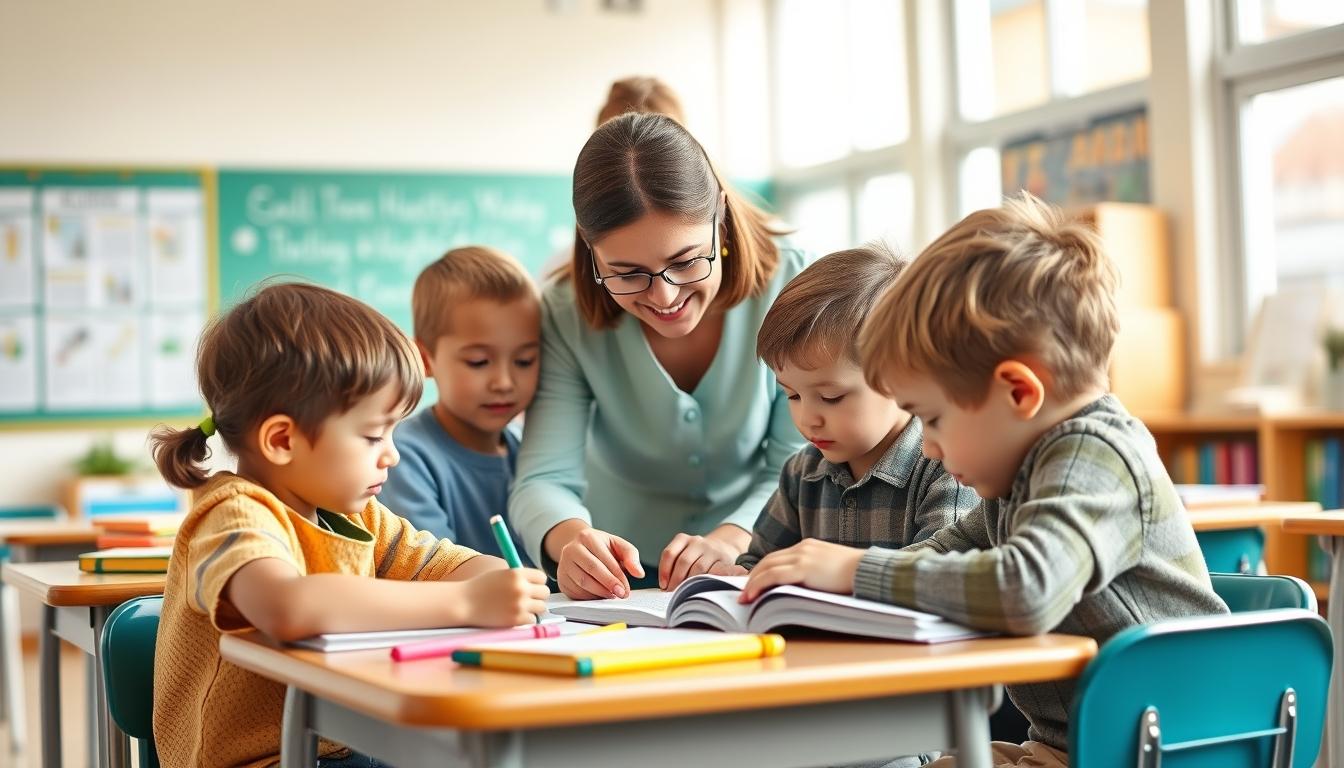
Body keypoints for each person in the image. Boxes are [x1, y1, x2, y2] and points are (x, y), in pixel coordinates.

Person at [741, 195, 1227, 768]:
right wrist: (833, 592)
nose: (926, 444)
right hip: (1077, 745)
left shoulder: (1094, 455)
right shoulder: (1021, 476)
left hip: (1169, 746)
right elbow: (945, 552)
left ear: (1018, 392)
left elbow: (1026, 590)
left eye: (936, 418)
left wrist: (854, 569)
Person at [149, 282, 548, 768]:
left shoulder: (354, 514)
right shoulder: (232, 512)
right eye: (373, 435)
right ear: (282, 439)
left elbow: (449, 564)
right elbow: (288, 606)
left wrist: (502, 583)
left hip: (342, 744)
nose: (393, 454)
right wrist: (466, 603)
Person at [510, 112, 808, 599]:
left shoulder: (791, 284)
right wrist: (569, 541)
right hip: (619, 582)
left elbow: (797, 463)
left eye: (686, 261)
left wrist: (733, 539)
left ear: (723, 222)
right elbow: (543, 478)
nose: (664, 298)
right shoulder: (564, 313)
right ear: (590, 251)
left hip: (757, 561)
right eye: (627, 273)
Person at [734, 243, 978, 576]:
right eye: (791, 396)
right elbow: (756, 564)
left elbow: (939, 578)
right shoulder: (802, 472)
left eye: (831, 397)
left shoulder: (948, 468)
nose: (807, 420)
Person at [379, 246, 539, 563]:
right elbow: (432, 572)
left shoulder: (529, 449)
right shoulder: (402, 457)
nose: (504, 382)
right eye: (479, 362)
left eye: (524, 360)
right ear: (425, 360)